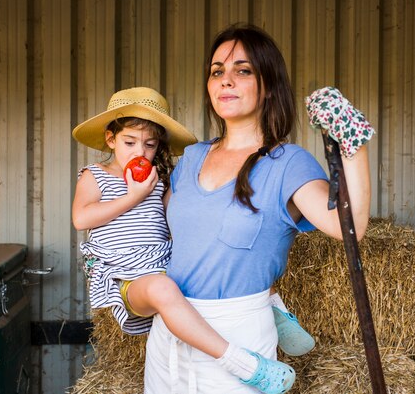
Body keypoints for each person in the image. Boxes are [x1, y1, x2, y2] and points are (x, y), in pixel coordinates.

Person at [144, 23, 373, 394]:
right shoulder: (191, 158)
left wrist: (353, 144)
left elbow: (349, 226)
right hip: (169, 336)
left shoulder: (288, 163)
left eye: (242, 70)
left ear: (267, 87)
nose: (225, 80)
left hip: (239, 343)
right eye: (217, 71)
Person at [71, 87, 298, 394]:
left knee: (227, 260)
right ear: (111, 139)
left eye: (150, 145)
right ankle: (241, 363)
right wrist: (133, 196)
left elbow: (181, 222)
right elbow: (81, 219)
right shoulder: (96, 175)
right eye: (129, 142)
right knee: (163, 288)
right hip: (127, 275)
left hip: (164, 264)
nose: (140, 152)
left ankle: (274, 311)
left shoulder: (157, 181)